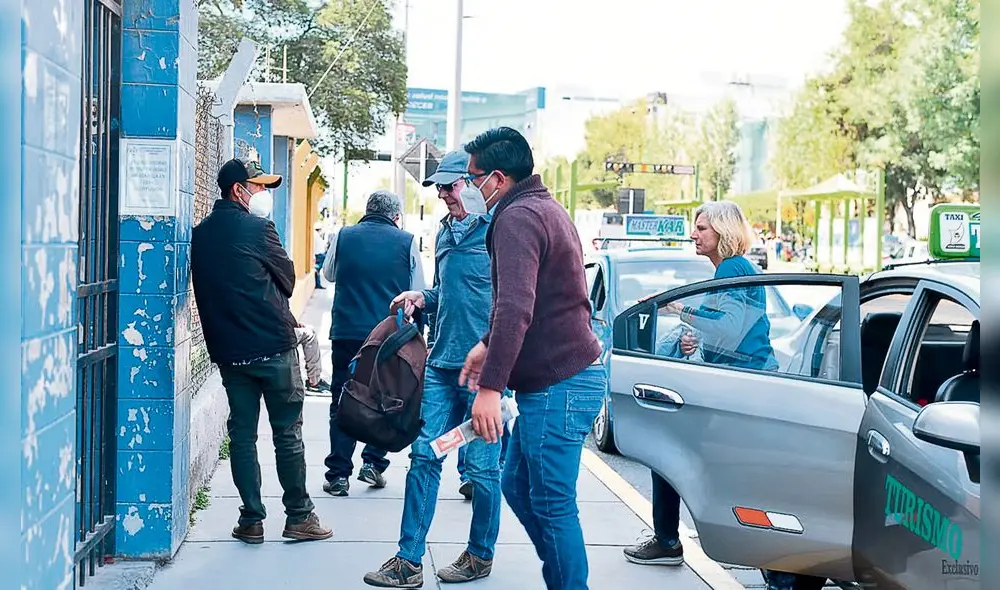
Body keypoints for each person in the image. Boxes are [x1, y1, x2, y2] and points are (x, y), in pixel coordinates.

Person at [458, 127, 605, 590]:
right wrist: (487, 343)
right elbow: (534, 300)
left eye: (472, 177)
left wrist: (490, 389)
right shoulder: (543, 207)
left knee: (553, 505)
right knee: (518, 487)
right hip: (564, 381)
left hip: (559, 386)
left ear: (497, 178)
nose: (467, 189)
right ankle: (564, 578)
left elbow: (517, 306)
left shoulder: (518, 217)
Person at [362, 150, 505, 587]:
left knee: (481, 469)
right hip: (443, 369)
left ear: (476, 184)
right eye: (438, 187)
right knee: (425, 455)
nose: (442, 194)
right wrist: (423, 298)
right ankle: (408, 560)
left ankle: (480, 554)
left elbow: (517, 306)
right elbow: (447, 291)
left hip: (485, 376)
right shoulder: (444, 232)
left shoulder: (499, 233)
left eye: (450, 185)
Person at [190, 158, 332, 544]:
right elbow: (287, 280)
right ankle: (299, 516)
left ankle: (251, 519)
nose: (263, 194)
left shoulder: (199, 236)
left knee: (242, 436)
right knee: (287, 434)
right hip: (273, 347)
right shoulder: (259, 229)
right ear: (239, 190)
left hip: (231, 354)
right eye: (258, 186)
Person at [321, 190, 426, 497]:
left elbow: (328, 274)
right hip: (386, 336)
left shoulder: (344, 235)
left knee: (343, 395)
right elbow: (417, 290)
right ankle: (373, 462)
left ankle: (338, 473)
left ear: (367, 211)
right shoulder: (406, 242)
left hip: (346, 331)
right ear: (396, 217)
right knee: (385, 396)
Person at [314, 223, 328, 289]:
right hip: (319, 254)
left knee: (317, 270)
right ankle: (318, 284)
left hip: (319, 254)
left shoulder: (316, 235)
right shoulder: (316, 235)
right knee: (317, 269)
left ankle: (318, 284)